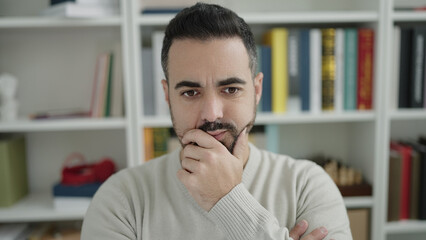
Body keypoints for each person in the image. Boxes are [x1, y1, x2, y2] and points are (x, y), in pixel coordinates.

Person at [81, 3, 352, 240]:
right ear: (167, 95)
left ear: (257, 90)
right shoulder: (120, 201)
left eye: (230, 89)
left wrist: (228, 199)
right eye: (190, 92)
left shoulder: (307, 186)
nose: (212, 114)